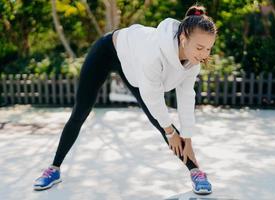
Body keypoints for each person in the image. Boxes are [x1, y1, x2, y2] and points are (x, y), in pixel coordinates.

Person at [33, 4, 217, 195]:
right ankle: (53, 169)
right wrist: (171, 131)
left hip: (132, 61)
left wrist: (187, 136)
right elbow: (153, 98)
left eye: (208, 49)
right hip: (108, 50)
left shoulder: (194, 61)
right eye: (200, 47)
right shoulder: (153, 54)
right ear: (183, 38)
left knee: (159, 121)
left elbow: (187, 98)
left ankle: (196, 172)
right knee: (81, 111)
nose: (204, 55)